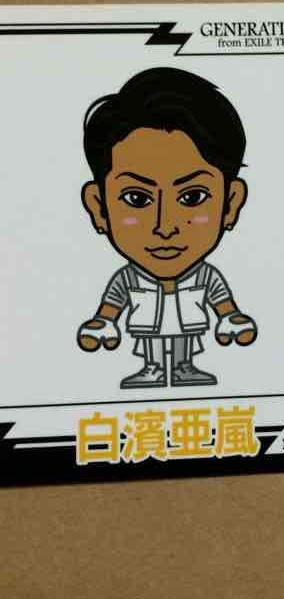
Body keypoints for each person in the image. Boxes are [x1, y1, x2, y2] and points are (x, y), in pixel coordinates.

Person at [76, 67, 257, 388]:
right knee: (152, 346)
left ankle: (184, 366)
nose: (165, 226)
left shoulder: (206, 276)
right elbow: (113, 303)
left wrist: (231, 317)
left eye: (192, 197)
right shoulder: (128, 279)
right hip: (147, 326)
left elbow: (221, 300)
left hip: (189, 325)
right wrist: (103, 322)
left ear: (230, 204)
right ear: (98, 207)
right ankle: (153, 368)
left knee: (186, 346)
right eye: (136, 198)